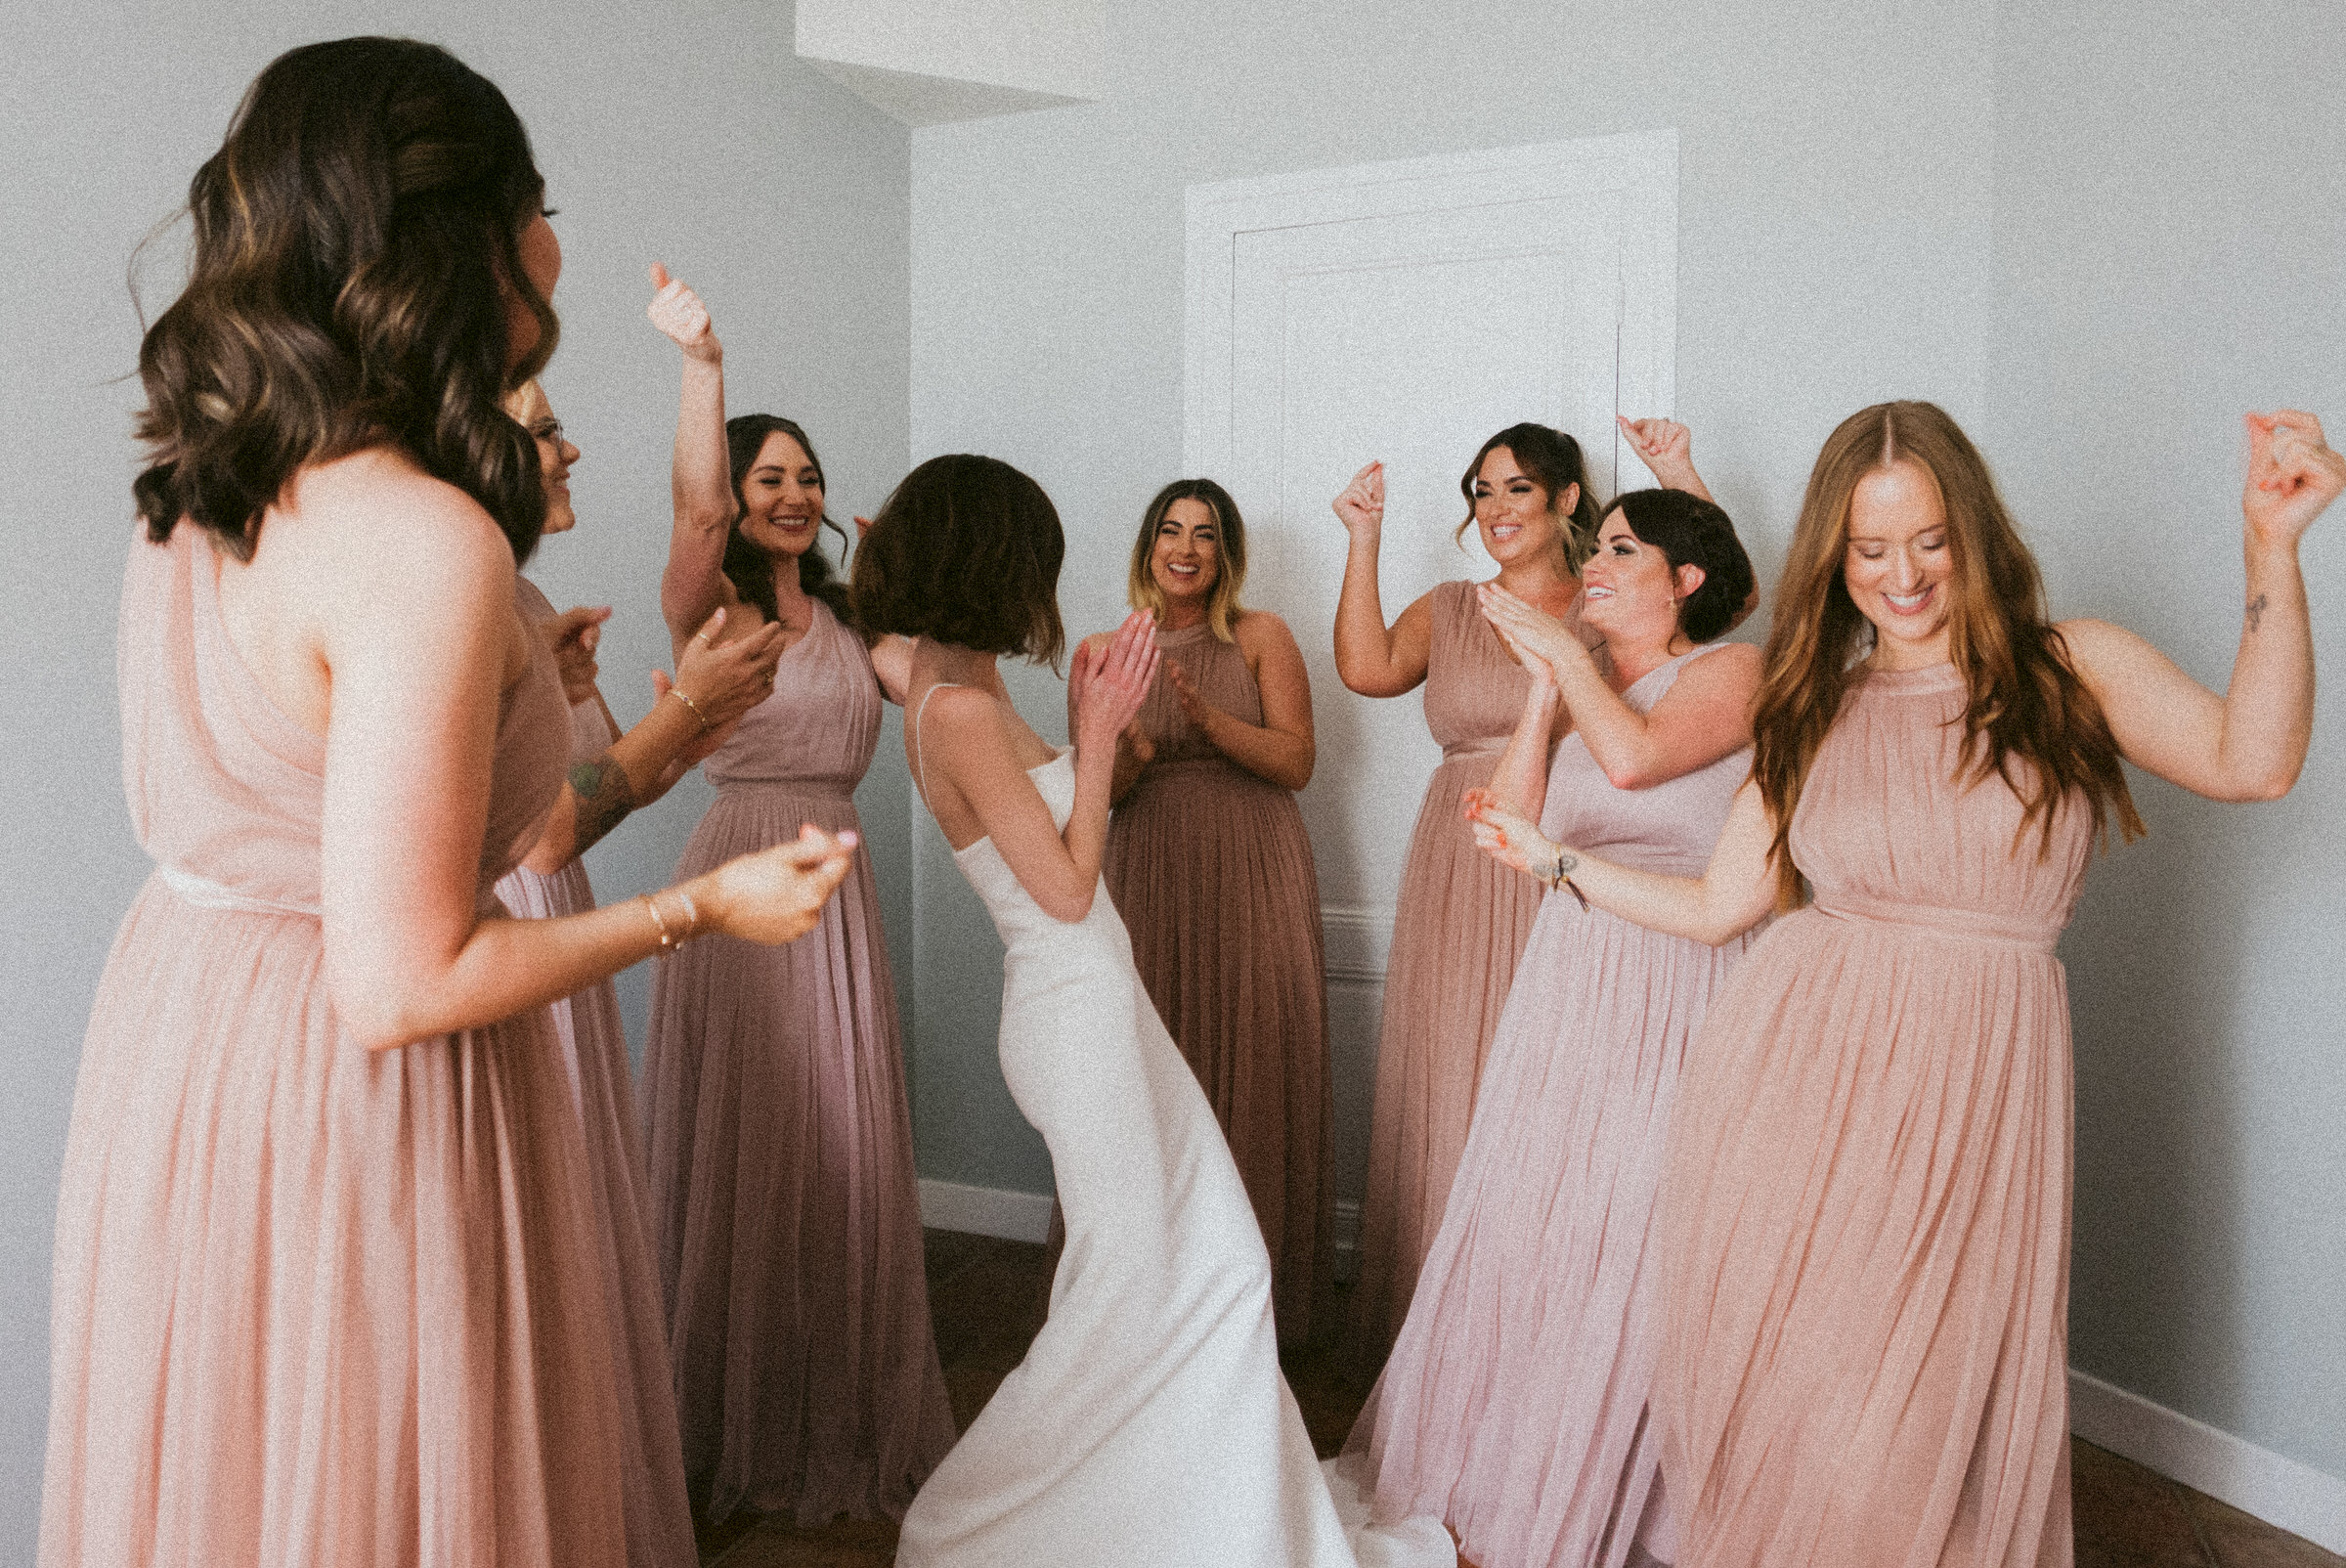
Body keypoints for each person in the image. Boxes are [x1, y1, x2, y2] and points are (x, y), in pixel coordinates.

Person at [40, 39, 853, 1568]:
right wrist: (700, 906)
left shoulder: (193, 498)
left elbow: (285, 754)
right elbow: (409, 979)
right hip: (353, 1083)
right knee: (398, 1476)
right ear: (460, 236)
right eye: (536, 201)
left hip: (191, 1045)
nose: (558, 242)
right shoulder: (421, 538)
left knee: (256, 1470)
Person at [1468, 402, 2339, 1565]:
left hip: (1979, 1082)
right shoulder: (1812, 702)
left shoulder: (2068, 666)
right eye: (1869, 550)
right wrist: (1558, 860)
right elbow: (1722, 905)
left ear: (1973, 531)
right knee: (1810, 1396)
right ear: (1835, 558)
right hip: (1796, 1080)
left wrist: (2270, 552)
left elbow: (2256, 760)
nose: (1903, 574)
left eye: (1928, 539)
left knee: (1928, 1411)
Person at [858, 455, 1453, 1568]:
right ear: (994, 564)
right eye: (1033, 555)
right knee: (1148, 1278)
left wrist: (880, 570)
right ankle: (1003, 1519)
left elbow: (880, 639)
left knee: (1204, 1261)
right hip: (1071, 1015)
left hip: (1102, 1005)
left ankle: (1189, 1502)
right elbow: (1073, 882)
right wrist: (1096, 737)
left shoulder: (943, 675)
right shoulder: (959, 712)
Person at [1342, 488, 1760, 1568]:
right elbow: (1514, 822)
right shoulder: (1585, 686)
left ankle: (1631, 1481)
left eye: (1623, 548)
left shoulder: (1731, 672)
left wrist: (1568, 661)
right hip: (1570, 976)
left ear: (1689, 582)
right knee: (1541, 1217)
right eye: (1600, 543)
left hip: (1677, 970)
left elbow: (1637, 764)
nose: (1596, 561)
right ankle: (1509, 1460)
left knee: (1642, 1226)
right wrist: (1540, 687)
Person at [639, 268, 948, 1526]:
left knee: (837, 1139)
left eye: (805, 477)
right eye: (769, 476)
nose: (791, 494)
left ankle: (833, 1400)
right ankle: (722, 1425)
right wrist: (702, 364)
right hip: (735, 867)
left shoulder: (849, 615)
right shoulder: (706, 603)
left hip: (838, 882)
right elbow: (694, 511)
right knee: (747, 1138)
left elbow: (940, 676)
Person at [1333, 416, 1712, 1356]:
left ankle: (1545, 1314)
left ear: (1567, 500)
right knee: (1458, 1051)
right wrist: (1363, 537)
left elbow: (1700, 606)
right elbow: (1365, 667)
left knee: (1553, 1067)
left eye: (1516, 489)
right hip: (1461, 847)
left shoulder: (1601, 600)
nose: (1494, 509)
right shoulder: (1453, 606)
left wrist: (1681, 475)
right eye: (1481, 491)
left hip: (1568, 844)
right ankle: (1447, 1314)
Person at [494, 377, 788, 1568]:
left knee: (573, 1242)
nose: (570, 445)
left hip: (554, 925)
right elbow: (543, 836)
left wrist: (672, 727)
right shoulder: (466, 594)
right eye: (545, 427)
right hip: (506, 931)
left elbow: (601, 792)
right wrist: (685, 719)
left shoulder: (522, 594)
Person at [1084, 477, 1331, 1350]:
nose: (1185, 549)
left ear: (1226, 554)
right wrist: (1133, 754)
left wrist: (1206, 720)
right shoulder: (1107, 649)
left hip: (1254, 859)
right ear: (1147, 546)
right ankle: (1149, 1306)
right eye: (1170, 532)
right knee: (1152, 1063)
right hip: (1149, 862)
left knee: (1254, 1048)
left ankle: (1246, 1308)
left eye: (1205, 535)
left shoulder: (1261, 636)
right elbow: (1097, 795)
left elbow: (1297, 761)